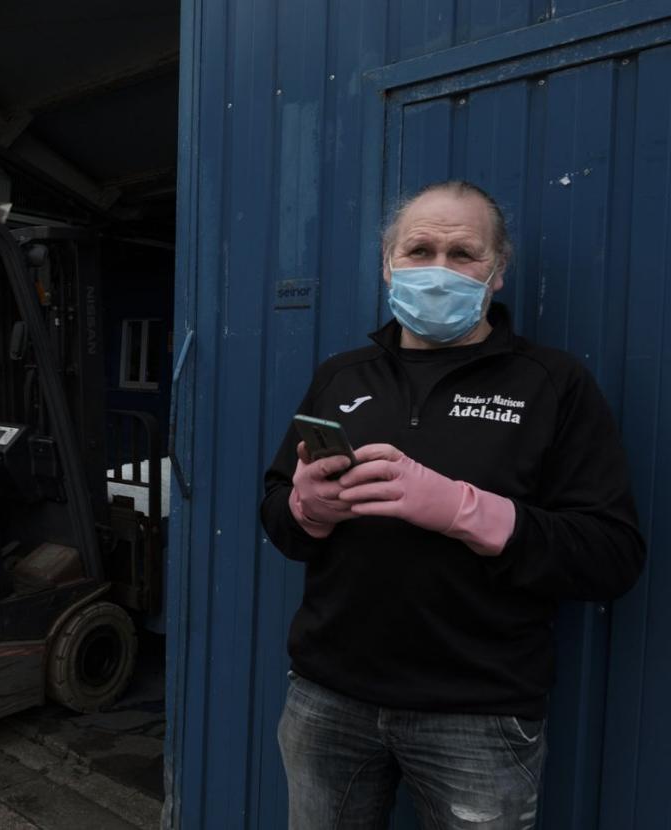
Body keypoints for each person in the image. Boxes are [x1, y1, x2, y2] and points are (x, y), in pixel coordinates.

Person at [260, 180, 646, 829]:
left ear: (497, 272)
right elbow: (277, 511)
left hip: (479, 716)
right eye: (419, 249)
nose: (438, 269)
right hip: (327, 697)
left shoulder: (554, 385)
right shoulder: (342, 376)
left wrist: (468, 511)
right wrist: (305, 510)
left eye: (463, 253)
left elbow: (612, 555)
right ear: (389, 262)